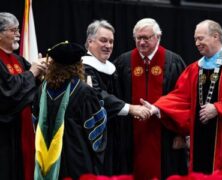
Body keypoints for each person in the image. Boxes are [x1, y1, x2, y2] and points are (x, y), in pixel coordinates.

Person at [142, 19, 222, 177]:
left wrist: (218, 108)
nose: (197, 43)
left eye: (200, 38)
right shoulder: (194, 69)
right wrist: (157, 107)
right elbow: (179, 97)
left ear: (216, 37)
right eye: (195, 39)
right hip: (200, 143)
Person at [114, 18, 187, 179]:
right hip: (130, 135)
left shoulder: (174, 62)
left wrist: (181, 134)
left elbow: (183, 99)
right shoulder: (123, 62)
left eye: (146, 38)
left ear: (158, 37)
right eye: (138, 38)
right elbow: (116, 98)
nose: (141, 42)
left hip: (165, 135)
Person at [82, 19, 151, 175]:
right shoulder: (83, 68)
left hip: (114, 135)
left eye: (111, 41)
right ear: (90, 41)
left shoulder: (111, 68)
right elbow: (98, 96)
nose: (108, 45)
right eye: (103, 40)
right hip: (93, 136)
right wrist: (131, 108)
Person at [32, 41, 108, 179]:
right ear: (78, 65)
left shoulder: (42, 89)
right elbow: (97, 126)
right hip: (76, 160)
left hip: (46, 157)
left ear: (53, 65)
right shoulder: (84, 91)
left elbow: (36, 121)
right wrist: (97, 99)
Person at [0, 12, 46, 180]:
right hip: (5, 132)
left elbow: (31, 86)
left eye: (19, 30)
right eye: (14, 30)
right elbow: (6, 92)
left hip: (23, 126)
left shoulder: (19, 60)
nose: (18, 34)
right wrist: (32, 73)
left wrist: (41, 73)